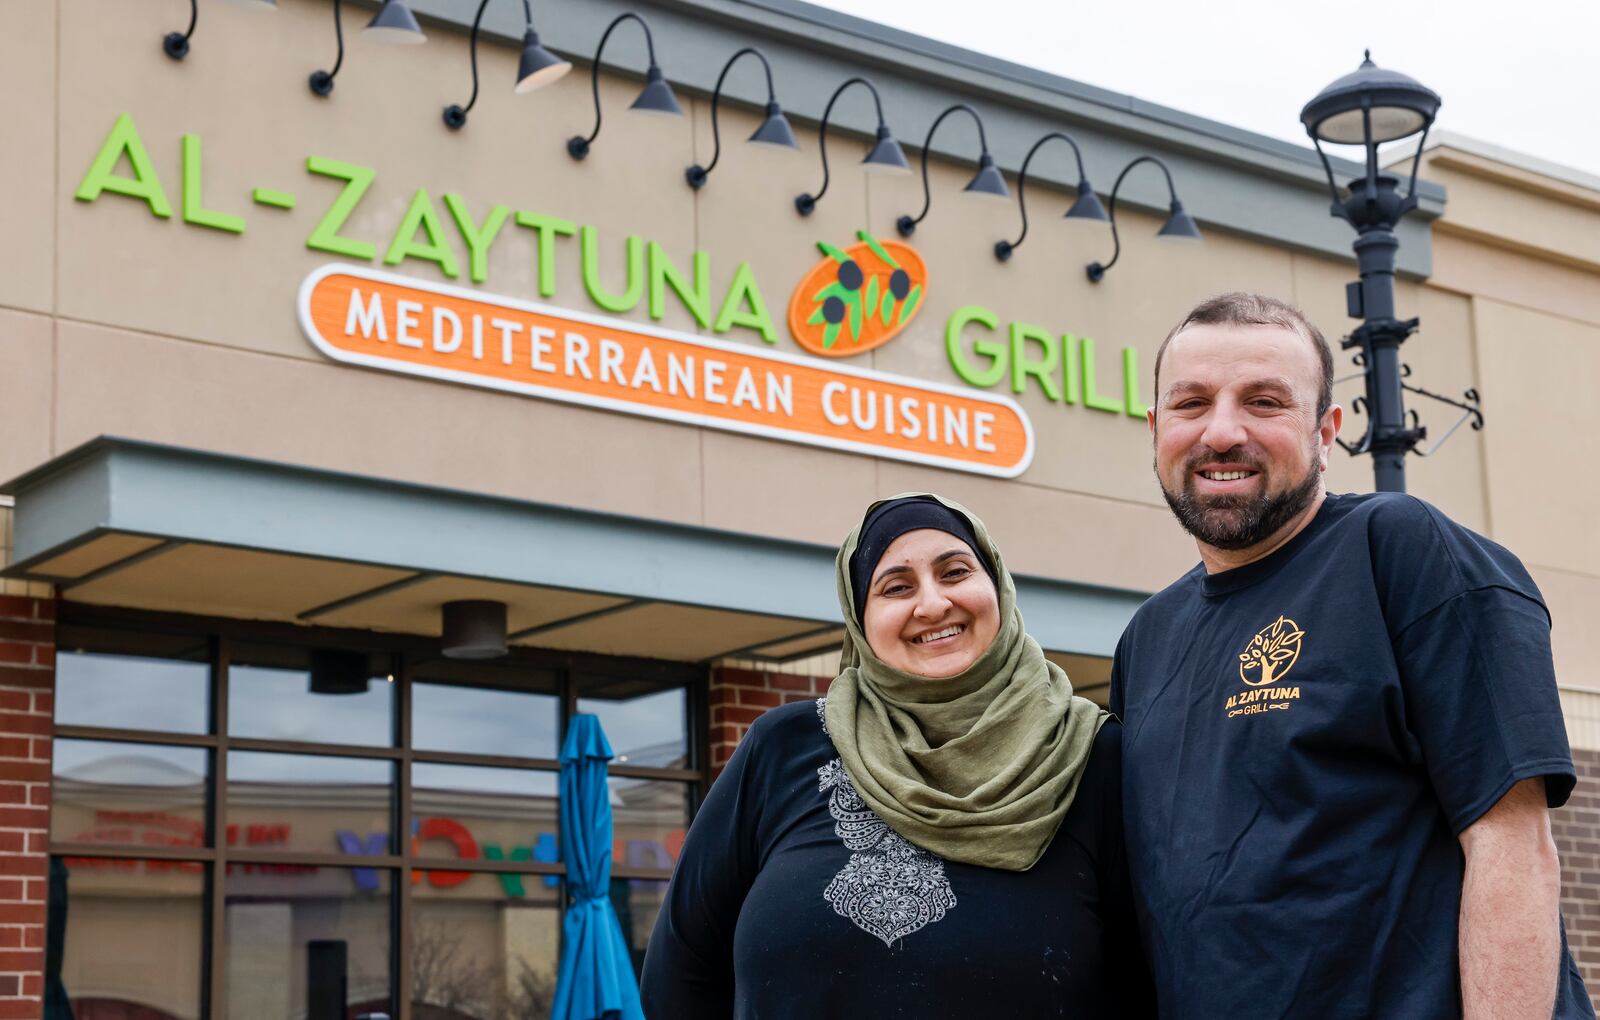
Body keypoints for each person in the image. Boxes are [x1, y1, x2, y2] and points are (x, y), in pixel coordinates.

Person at [1111, 291, 1593, 1018]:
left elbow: (1512, 846)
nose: (1221, 431)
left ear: (1326, 430)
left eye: (1265, 401)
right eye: (1191, 403)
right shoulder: (1147, 638)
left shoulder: (1399, 551)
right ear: (1155, 429)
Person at [640, 493, 1154, 1018]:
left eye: (954, 572)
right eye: (896, 587)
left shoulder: (1092, 756)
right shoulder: (782, 747)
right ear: (861, 619)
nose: (931, 605)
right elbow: (680, 975)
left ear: (997, 585)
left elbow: (1155, 979)